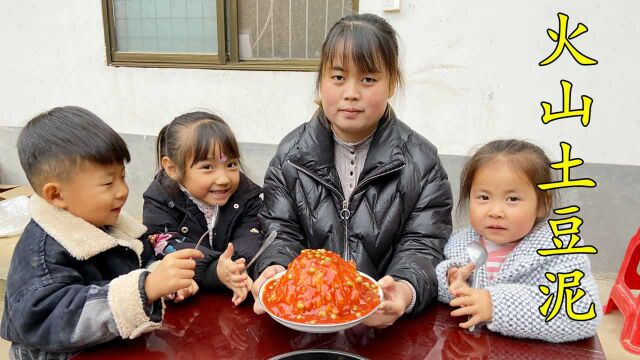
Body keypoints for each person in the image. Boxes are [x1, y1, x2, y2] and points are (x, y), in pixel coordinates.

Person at [251, 13, 453, 328]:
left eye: (368, 79)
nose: (351, 93)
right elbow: (279, 230)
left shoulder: (421, 160)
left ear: (392, 84)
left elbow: (424, 242)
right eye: (338, 77)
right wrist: (275, 268)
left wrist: (402, 289)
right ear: (321, 81)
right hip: (309, 321)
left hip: (388, 329)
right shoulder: (290, 155)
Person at [0, 106, 203, 359]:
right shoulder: (42, 254)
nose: (122, 191)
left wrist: (165, 284)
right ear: (56, 194)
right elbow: (54, 318)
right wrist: (146, 288)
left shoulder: (115, 226)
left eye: (123, 177)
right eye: (108, 183)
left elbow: (143, 261)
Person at [436, 139, 601, 342]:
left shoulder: (560, 250)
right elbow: (436, 282)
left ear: (542, 204)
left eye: (512, 199)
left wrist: (495, 305)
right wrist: (451, 281)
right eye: (484, 197)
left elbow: (583, 312)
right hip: (471, 347)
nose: (495, 212)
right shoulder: (460, 243)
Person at [143, 111, 262, 306]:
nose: (224, 179)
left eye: (231, 164)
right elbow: (164, 245)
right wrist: (215, 269)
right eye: (207, 167)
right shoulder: (160, 200)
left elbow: (252, 233)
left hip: (237, 291)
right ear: (172, 168)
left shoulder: (245, 195)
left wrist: (234, 266)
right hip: (189, 302)